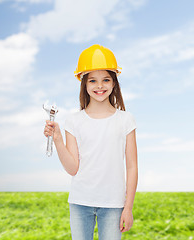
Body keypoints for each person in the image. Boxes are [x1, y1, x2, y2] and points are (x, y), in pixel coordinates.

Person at [43, 44, 138, 240]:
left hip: (114, 204)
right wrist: (58, 139)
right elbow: (72, 168)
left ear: (114, 83)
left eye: (106, 80)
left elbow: (132, 166)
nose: (99, 86)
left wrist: (128, 208)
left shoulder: (126, 120)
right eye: (92, 80)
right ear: (84, 84)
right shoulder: (74, 121)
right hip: (80, 202)